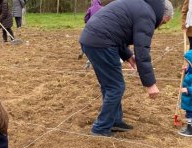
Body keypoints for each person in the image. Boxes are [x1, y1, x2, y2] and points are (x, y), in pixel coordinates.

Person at [79, 0, 174, 137]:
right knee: (115, 87)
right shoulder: (148, 15)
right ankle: (100, 128)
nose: (159, 26)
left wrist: (128, 56)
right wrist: (150, 84)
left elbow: (118, 32)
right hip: (101, 43)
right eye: (164, 23)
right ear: (164, 17)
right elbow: (142, 51)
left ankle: (114, 121)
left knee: (111, 85)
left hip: (93, 39)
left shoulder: (140, 6)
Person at [79, 0, 103, 69]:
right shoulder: (103, 8)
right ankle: (89, 60)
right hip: (102, 30)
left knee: (85, 41)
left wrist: (88, 22)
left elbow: (86, 19)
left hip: (91, 29)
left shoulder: (90, 9)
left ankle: (84, 53)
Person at [179, 50, 192, 136]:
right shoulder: (191, 70)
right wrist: (187, 70)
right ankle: (189, 127)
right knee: (189, 113)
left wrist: (188, 90)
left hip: (191, 100)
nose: (187, 63)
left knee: (191, 114)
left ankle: (190, 129)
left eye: (188, 62)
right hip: (189, 100)